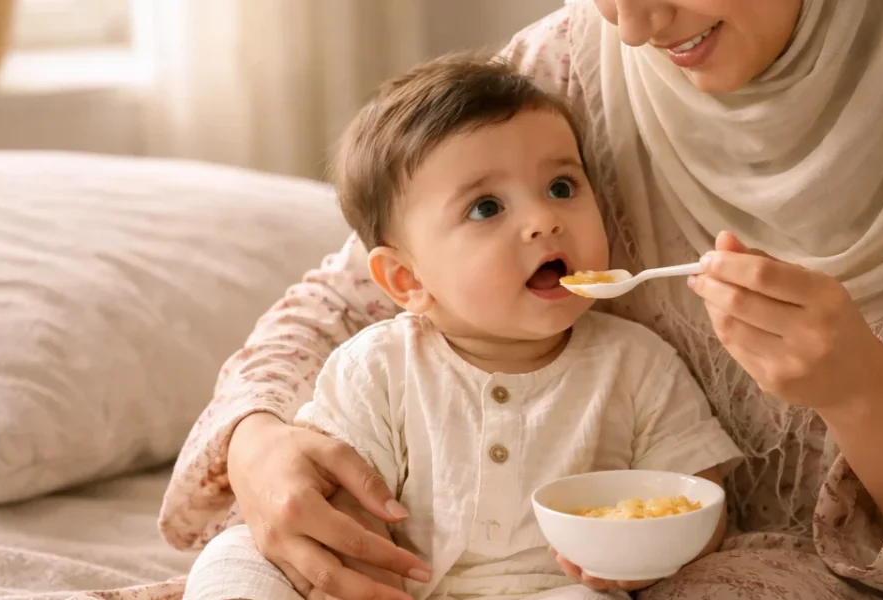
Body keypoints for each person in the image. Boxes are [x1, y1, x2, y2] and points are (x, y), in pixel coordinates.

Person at [143, 1, 883, 599]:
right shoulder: (578, 63)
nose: (635, 23)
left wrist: (865, 395)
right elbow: (348, 302)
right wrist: (259, 444)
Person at [178, 55, 743, 600]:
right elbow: (337, 499)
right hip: (390, 585)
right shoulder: (378, 366)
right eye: (486, 207)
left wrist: (643, 558)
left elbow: (697, 501)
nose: (544, 220)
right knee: (234, 556)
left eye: (563, 188)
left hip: (555, 589)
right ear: (405, 280)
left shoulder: (637, 363)